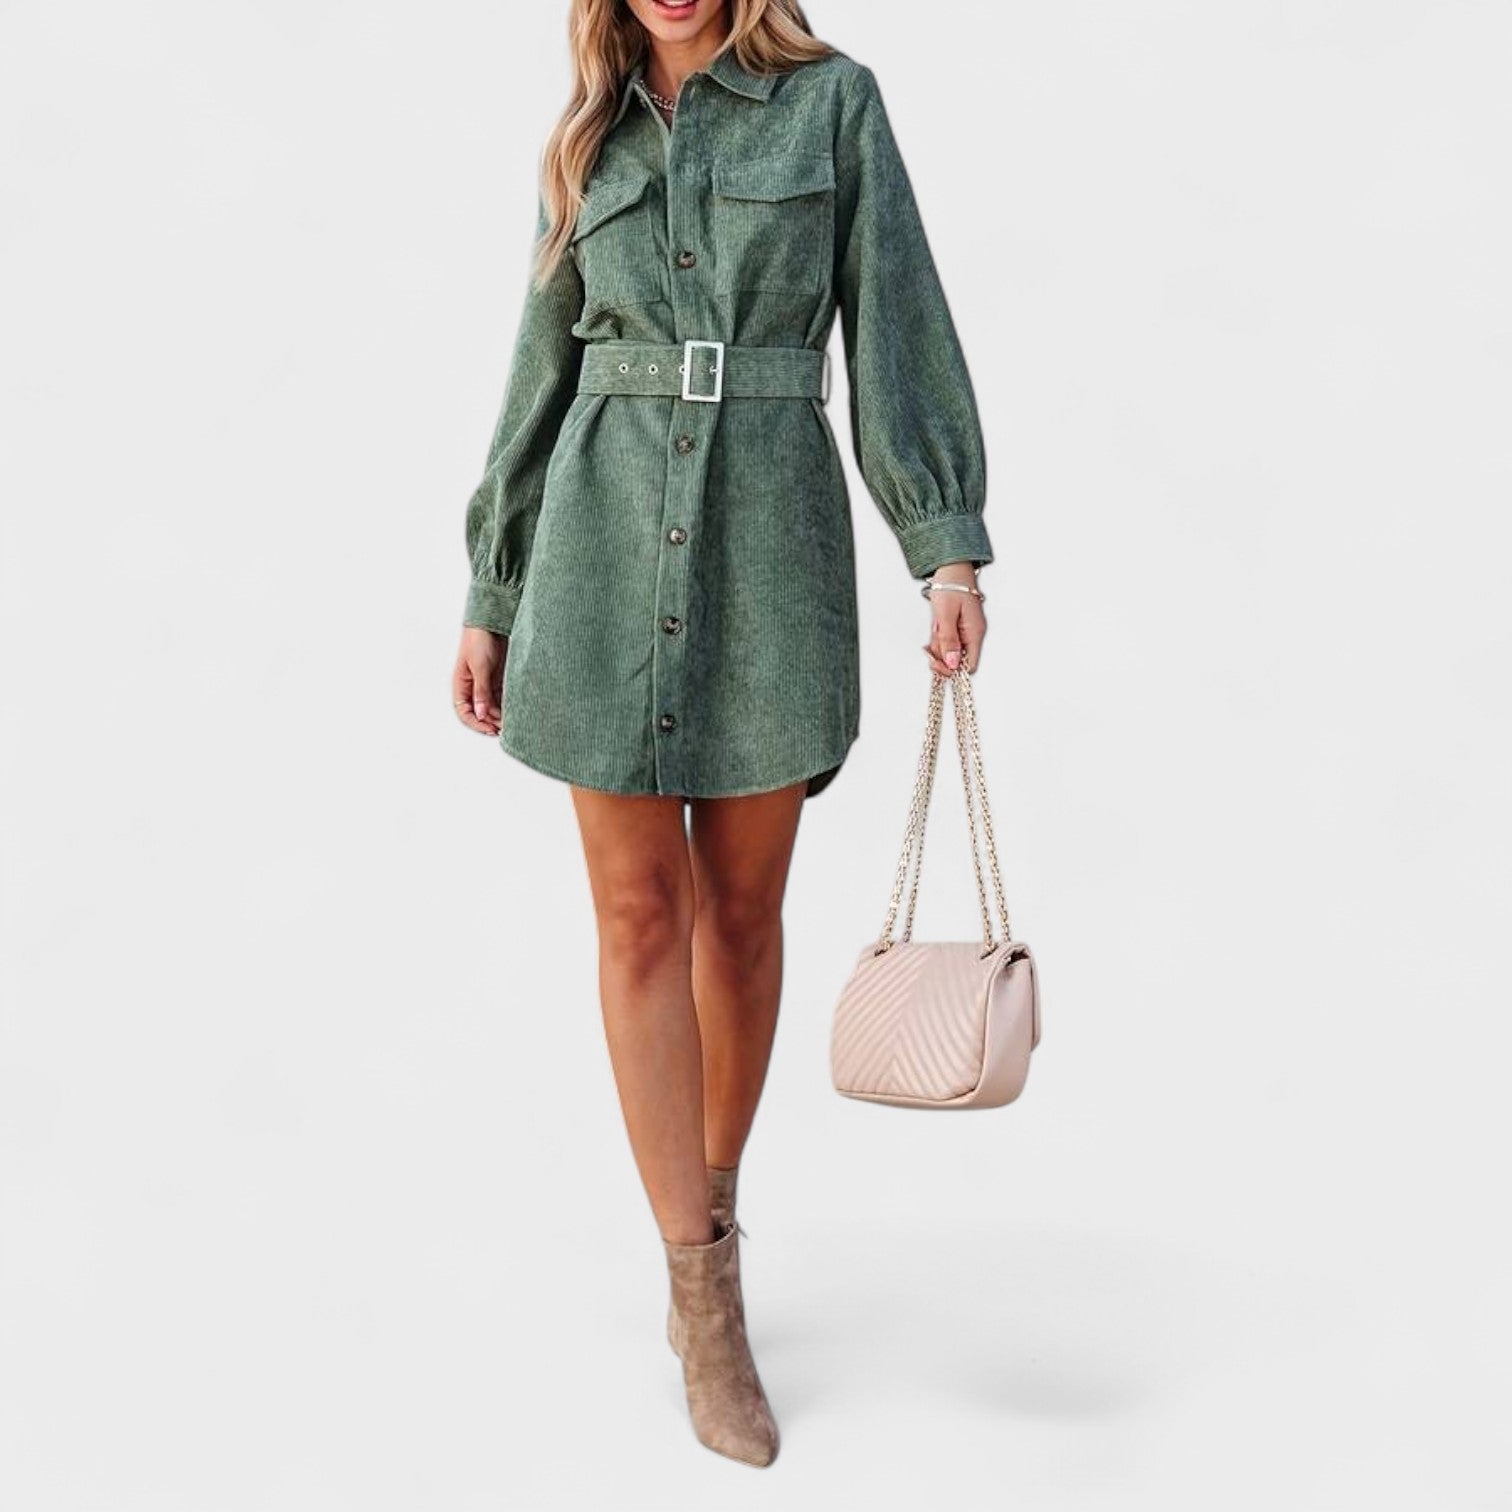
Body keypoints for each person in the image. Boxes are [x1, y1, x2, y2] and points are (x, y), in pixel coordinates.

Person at [450, 0, 992, 1469]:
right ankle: (703, 1298)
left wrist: (943, 545)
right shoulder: (585, 137)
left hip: (770, 552)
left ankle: (716, 1209)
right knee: (640, 916)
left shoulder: (834, 106)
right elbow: (539, 363)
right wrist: (493, 585)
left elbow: (898, 323)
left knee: (741, 918)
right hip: (599, 543)